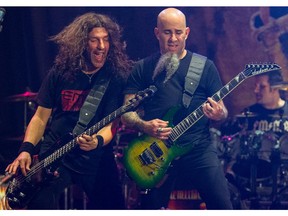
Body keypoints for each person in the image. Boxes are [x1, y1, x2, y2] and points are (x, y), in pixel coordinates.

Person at [5, 12, 133, 209]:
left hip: (95, 156)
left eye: (106, 40)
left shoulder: (115, 76)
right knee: (39, 204)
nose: (101, 46)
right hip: (56, 154)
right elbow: (40, 118)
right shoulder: (61, 72)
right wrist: (26, 150)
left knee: (113, 206)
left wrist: (97, 141)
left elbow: (112, 125)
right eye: (94, 40)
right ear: (82, 43)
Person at [121, 8, 233, 210]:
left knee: (223, 206)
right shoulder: (142, 67)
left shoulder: (205, 66)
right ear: (157, 33)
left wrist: (219, 114)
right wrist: (144, 125)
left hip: (198, 149)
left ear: (187, 33)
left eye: (178, 32)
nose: (173, 38)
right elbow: (126, 113)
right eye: (167, 32)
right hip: (155, 150)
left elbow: (223, 112)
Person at [224, 69, 288, 208]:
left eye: (262, 86)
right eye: (255, 86)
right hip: (251, 182)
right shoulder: (247, 115)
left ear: (275, 87)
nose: (256, 90)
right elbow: (230, 142)